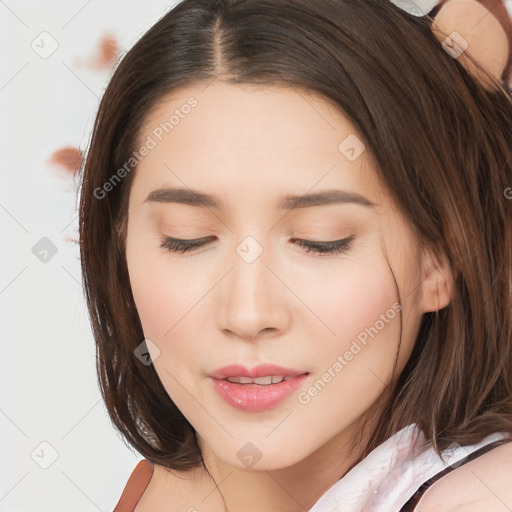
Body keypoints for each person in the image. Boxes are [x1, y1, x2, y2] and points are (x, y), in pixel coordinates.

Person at [77, 0, 512, 510]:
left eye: (319, 240)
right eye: (187, 237)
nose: (247, 313)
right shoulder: (152, 490)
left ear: (440, 260)